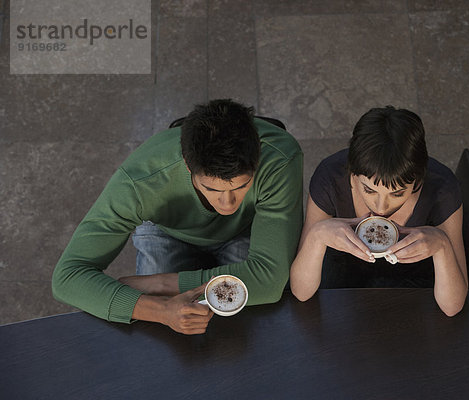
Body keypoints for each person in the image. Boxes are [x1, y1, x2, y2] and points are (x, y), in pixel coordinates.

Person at [52, 99, 303, 334]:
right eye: (212, 189)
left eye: (240, 186)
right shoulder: (140, 181)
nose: (227, 203)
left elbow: (269, 282)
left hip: (246, 228)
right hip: (167, 231)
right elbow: (67, 277)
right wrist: (161, 309)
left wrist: (161, 285)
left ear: (258, 156)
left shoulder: (280, 158)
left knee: (251, 326)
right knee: (157, 333)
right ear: (187, 164)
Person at [289, 107, 467, 316]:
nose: (381, 208)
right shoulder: (330, 179)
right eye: (369, 190)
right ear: (352, 172)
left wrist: (443, 246)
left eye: (398, 194)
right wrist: (316, 236)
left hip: (415, 288)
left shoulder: (442, 190)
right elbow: (301, 292)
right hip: (343, 281)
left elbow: (452, 307)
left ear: (419, 179)